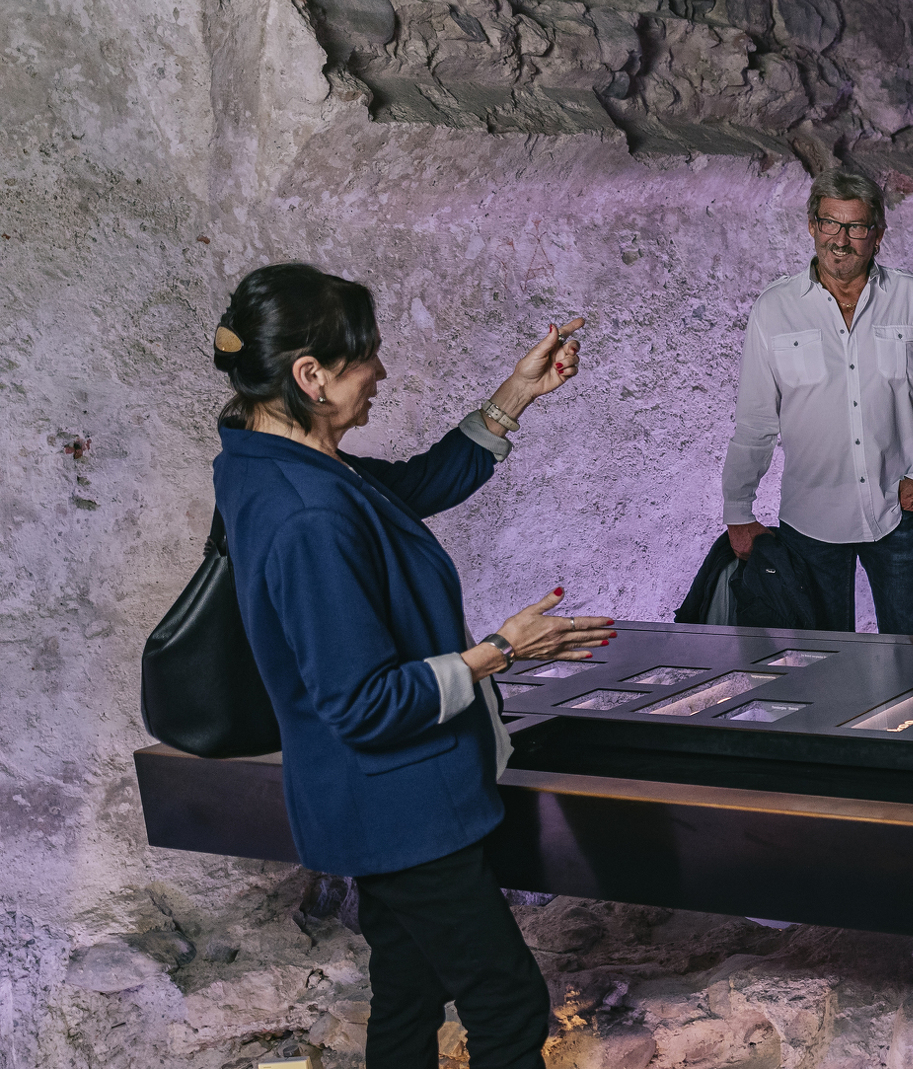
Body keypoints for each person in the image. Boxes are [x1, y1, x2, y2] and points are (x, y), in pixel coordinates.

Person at [209, 262, 612, 1069]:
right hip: (401, 810)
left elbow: (414, 485)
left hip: (377, 804)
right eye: (366, 358)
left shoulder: (280, 463)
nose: (382, 372)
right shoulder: (308, 512)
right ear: (310, 375)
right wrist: (502, 650)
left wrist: (516, 395)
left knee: (406, 992)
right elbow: (363, 702)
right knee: (507, 1006)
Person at [723, 172, 913, 634]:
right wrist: (737, 511)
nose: (841, 240)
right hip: (810, 522)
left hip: (896, 514)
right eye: (830, 224)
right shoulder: (775, 309)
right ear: (811, 226)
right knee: (823, 657)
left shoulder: (911, 297)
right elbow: (755, 421)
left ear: (877, 234)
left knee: (906, 646)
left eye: (856, 227)